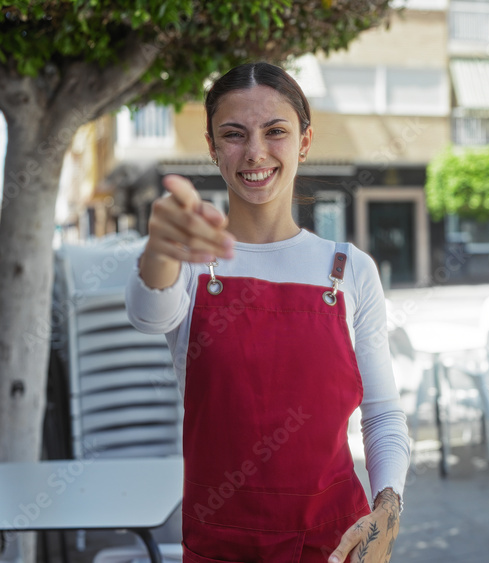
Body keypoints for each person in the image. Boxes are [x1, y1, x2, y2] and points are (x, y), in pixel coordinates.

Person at [126, 62, 411, 563]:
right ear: (212, 148)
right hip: (220, 545)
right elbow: (148, 314)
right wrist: (160, 249)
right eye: (233, 135)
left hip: (336, 543)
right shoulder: (188, 263)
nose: (255, 152)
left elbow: (382, 412)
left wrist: (388, 507)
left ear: (304, 141)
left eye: (275, 131)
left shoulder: (349, 269)